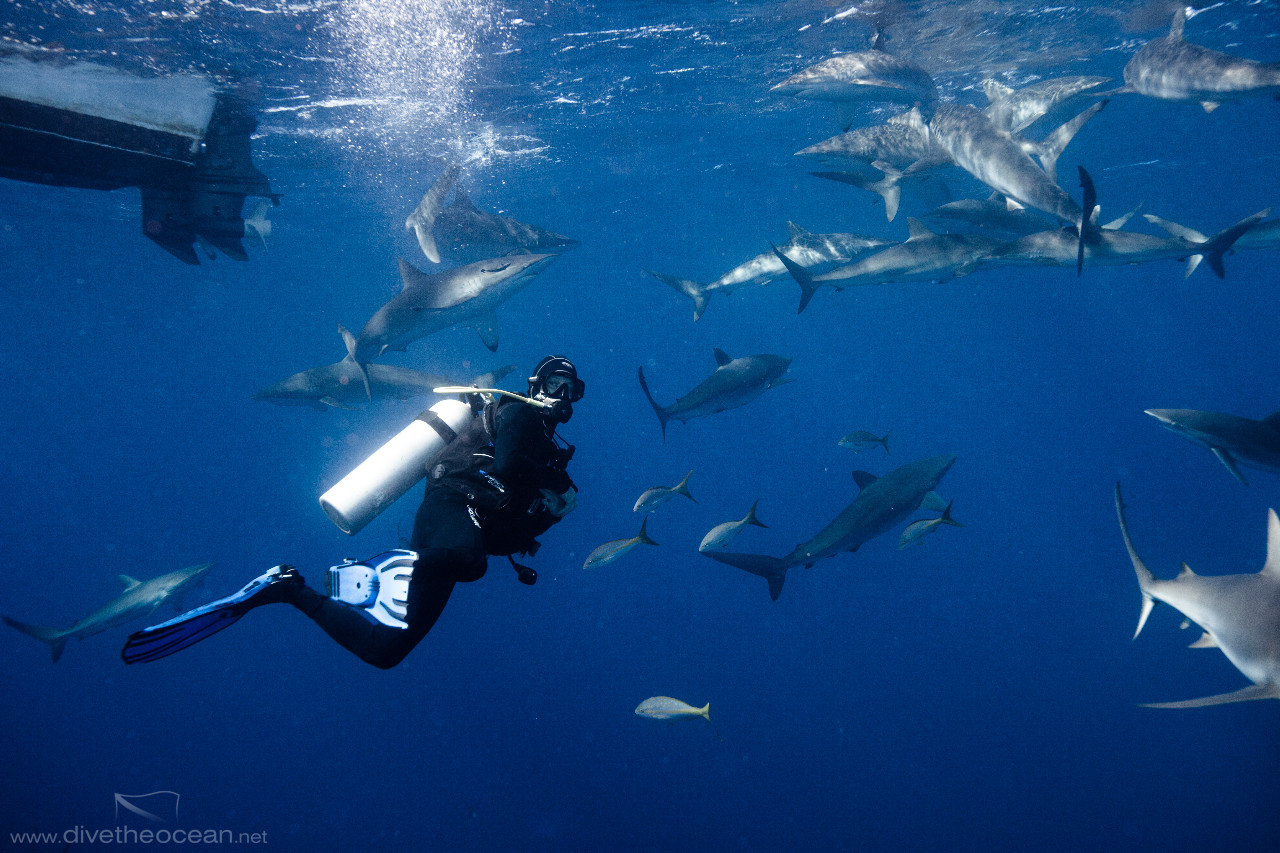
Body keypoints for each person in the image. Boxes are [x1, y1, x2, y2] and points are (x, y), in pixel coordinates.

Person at [121, 356, 583, 668]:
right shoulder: (519, 412)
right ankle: (372, 574)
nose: (561, 395)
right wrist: (560, 487)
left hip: (452, 540)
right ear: (534, 385)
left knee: (386, 651)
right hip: (450, 506)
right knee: (470, 563)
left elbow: (502, 529)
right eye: (553, 384)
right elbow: (508, 466)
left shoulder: (545, 451)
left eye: (571, 390)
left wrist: (544, 517)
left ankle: (287, 589)